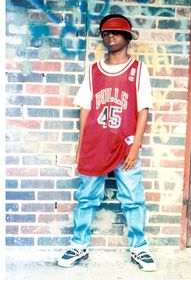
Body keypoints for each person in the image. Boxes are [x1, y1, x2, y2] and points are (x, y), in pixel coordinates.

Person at [57, 14, 156, 272]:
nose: (109, 36)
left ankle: (139, 247)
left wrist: (135, 147)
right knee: (87, 197)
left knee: (133, 198)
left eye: (115, 32)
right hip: (96, 144)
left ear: (127, 37)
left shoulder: (137, 70)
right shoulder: (93, 71)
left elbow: (143, 110)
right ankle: (79, 245)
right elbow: (85, 110)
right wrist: (81, 146)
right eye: (105, 33)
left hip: (125, 144)